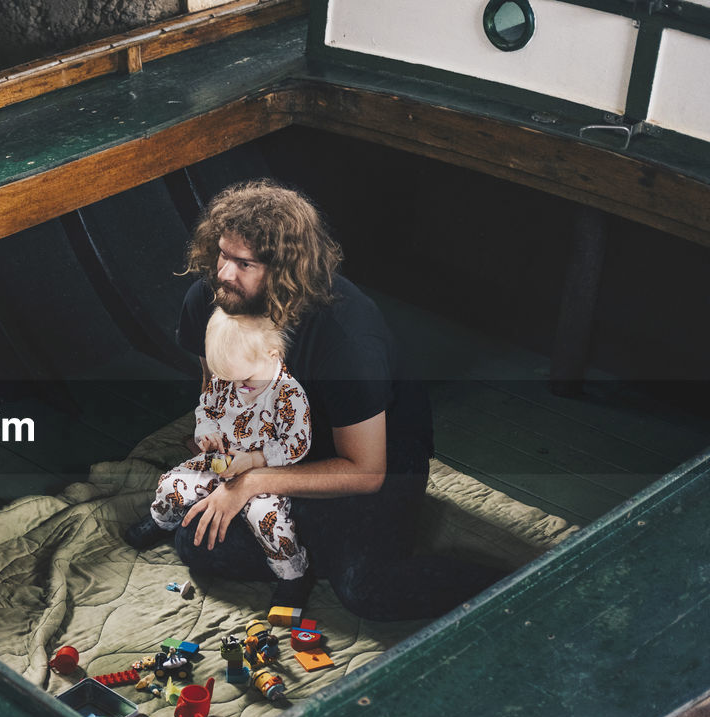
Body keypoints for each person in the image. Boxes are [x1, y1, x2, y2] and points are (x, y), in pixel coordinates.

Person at [141, 180, 505, 621]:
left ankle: (517, 584)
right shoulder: (213, 298)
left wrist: (254, 483)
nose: (223, 273)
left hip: (374, 457)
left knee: (365, 590)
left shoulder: (347, 336)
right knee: (195, 541)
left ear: (283, 269)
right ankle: (315, 548)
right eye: (222, 253)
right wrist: (221, 444)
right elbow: (215, 385)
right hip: (275, 447)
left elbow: (366, 471)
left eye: (244, 263)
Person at [126, 308, 313, 602]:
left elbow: (296, 445)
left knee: (268, 518)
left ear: (272, 354)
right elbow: (207, 408)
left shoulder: (289, 395)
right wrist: (206, 433)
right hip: (220, 459)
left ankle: (292, 574)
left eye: (246, 380)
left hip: (262, 472)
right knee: (171, 484)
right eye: (230, 379)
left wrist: (254, 460)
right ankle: (162, 521)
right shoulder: (230, 377)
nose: (239, 387)